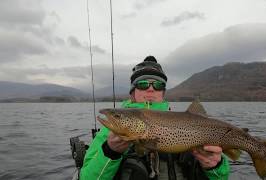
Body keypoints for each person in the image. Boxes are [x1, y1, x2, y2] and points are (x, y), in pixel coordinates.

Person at [80, 56, 230, 180]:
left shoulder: (187, 121)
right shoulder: (111, 132)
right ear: (133, 92)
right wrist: (110, 151)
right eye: (143, 84)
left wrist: (215, 166)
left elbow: (222, 178)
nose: (151, 89)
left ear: (163, 92)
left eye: (158, 85)